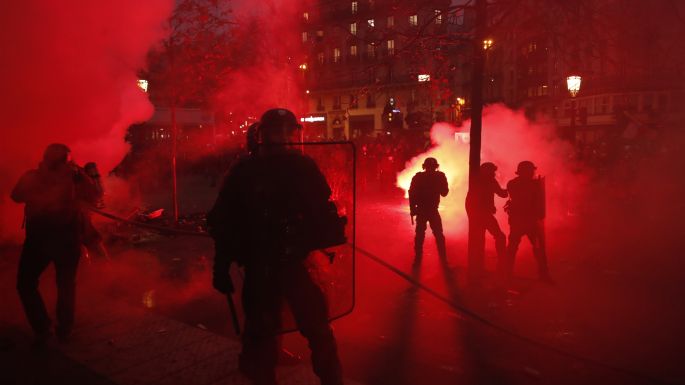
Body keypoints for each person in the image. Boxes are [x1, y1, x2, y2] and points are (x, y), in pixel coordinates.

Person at [208, 108, 343, 385]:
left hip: (294, 264)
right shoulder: (245, 170)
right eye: (276, 131)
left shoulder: (303, 167)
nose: (282, 137)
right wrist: (220, 266)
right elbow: (223, 219)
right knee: (261, 338)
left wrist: (328, 231)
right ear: (263, 133)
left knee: (318, 329)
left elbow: (320, 209)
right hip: (259, 267)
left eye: (287, 131)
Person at [11, 144, 98, 345]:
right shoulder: (75, 177)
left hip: (39, 240)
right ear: (67, 160)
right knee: (66, 286)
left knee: (25, 283)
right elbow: (94, 196)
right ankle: (64, 329)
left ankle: (42, 327)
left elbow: (15, 196)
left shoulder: (33, 176)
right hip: (67, 240)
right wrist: (80, 175)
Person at [504, 160, 553, 283]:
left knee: (518, 248)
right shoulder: (523, 185)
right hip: (524, 221)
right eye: (531, 170)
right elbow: (526, 199)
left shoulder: (513, 183)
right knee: (535, 248)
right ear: (525, 172)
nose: (533, 172)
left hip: (522, 221)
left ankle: (506, 274)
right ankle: (543, 276)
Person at [465, 162, 508, 277]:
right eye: (492, 171)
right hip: (482, 215)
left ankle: (478, 269)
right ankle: (502, 263)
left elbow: (501, 193)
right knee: (499, 236)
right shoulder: (487, 181)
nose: (493, 173)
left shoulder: (478, 181)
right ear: (487, 171)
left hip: (479, 214)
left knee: (479, 241)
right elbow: (502, 194)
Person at [409, 157, 449, 260]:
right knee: (437, 235)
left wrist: (413, 209)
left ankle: (418, 258)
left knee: (420, 236)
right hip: (430, 210)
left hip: (424, 210)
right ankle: (443, 258)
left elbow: (412, 194)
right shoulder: (439, 176)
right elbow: (444, 193)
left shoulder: (419, 177)